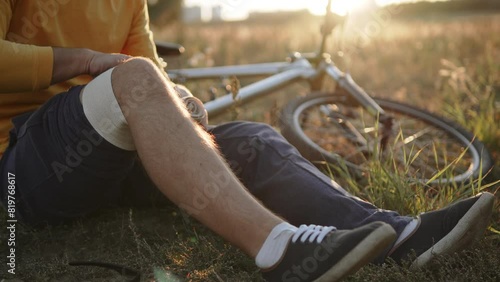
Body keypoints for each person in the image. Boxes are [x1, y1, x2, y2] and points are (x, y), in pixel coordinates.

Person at [0, 1, 494, 281]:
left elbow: (150, 70)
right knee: (134, 79)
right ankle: (279, 250)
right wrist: (86, 60)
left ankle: (400, 234)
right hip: (29, 163)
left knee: (253, 137)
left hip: (115, 162)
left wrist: (180, 99)